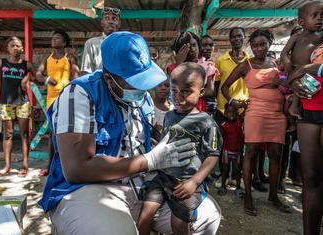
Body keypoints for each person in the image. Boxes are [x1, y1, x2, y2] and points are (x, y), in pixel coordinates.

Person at [38, 31, 221, 235]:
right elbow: (76, 169)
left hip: (143, 183)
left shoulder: (143, 98)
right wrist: (151, 159)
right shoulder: (79, 94)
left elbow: (146, 141)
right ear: (109, 78)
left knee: (208, 218)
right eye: (135, 81)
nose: (143, 87)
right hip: (90, 187)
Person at [137, 62, 222, 235]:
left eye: (186, 91)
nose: (179, 97)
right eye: (174, 91)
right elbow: (165, 144)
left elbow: (212, 155)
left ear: (202, 92)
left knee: (178, 223)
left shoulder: (206, 122)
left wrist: (194, 182)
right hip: (163, 177)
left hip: (186, 180)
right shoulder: (169, 115)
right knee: (144, 217)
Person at [221, 29, 291, 216]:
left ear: (269, 44)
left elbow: (288, 83)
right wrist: (232, 102)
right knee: (250, 152)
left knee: (276, 153)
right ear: (251, 47)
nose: (258, 48)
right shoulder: (247, 65)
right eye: (255, 45)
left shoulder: (277, 63)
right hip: (256, 112)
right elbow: (225, 86)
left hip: (277, 113)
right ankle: (248, 197)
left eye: (262, 44)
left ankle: (273, 196)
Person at [282, 2, 323, 234]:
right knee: (312, 178)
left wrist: (304, 69)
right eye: (315, 15)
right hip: (309, 107)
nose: (320, 19)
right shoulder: (298, 37)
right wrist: (292, 74)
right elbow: (285, 57)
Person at [0, 36, 37, 177]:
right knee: (8, 134)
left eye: (18, 45)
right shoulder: (1, 63)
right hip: (5, 103)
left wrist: (27, 78)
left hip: (23, 103)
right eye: (13, 45)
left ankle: (24, 165)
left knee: (24, 135)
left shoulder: (27, 64)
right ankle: (7, 166)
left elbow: (37, 79)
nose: (16, 48)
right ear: (8, 48)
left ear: (22, 48)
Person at [36, 30, 80, 177]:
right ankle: (50, 166)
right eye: (53, 38)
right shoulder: (46, 58)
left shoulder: (70, 58)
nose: (54, 40)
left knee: (67, 133)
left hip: (66, 99)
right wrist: (47, 79)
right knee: (52, 134)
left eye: (58, 38)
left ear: (64, 42)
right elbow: (38, 74)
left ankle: (67, 165)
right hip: (51, 100)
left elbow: (75, 77)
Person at [167, 32, 216, 113]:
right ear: (181, 50)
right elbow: (171, 88)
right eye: (188, 47)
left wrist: (190, 95)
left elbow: (210, 91)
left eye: (194, 45)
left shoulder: (207, 66)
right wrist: (178, 63)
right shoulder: (173, 68)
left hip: (198, 110)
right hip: (179, 109)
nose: (192, 49)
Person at [81, 6, 121, 73]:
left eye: (114, 19)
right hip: (98, 83)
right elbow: (86, 72)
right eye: (107, 18)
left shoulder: (126, 43)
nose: (110, 21)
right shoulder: (91, 44)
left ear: (119, 23)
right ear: (102, 23)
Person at [217, 103, 244, 198]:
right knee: (225, 170)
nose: (231, 114)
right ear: (225, 113)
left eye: (233, 112)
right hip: (226, 151)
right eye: (228, 112)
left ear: (237, 113)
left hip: (238, 151)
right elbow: (222, 139)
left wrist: (242, 106)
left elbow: (245, 112)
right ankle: (223, 186)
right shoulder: (224, 125)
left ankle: (238, 188)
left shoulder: (239, 121)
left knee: (237, 170)